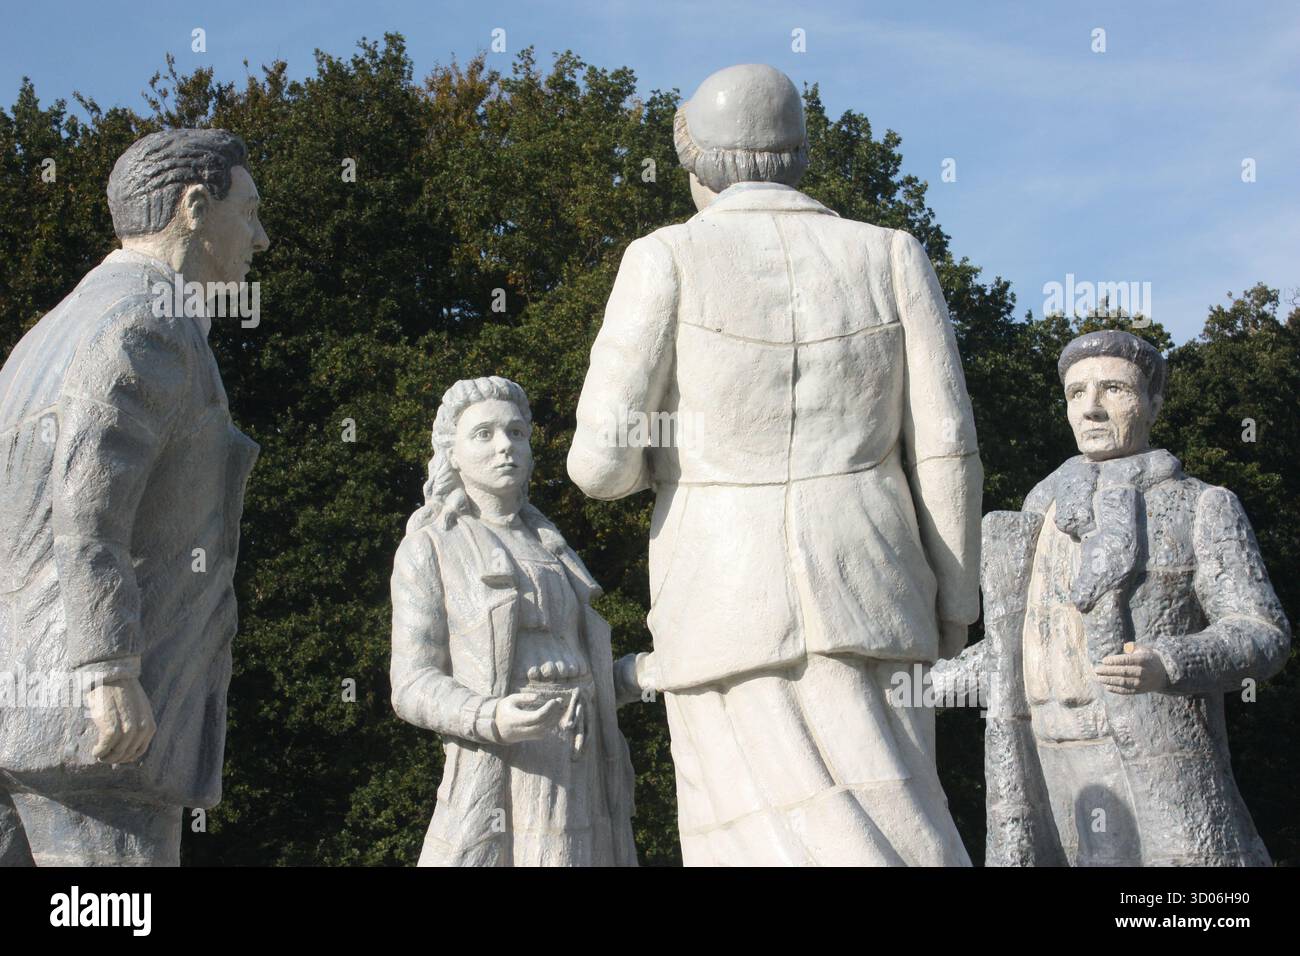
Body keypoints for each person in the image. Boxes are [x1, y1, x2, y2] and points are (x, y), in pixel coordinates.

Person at [567, 64, 981, 865]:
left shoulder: (667, 257)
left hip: (722, 596)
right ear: (799, 154)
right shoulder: (889, 253)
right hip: (874, 587)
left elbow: (601, 465)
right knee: (899, 824)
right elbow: (945, 445)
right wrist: (955, 601)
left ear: (698, 166)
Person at [0, 129, 268, 865]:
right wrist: (107, 666)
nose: (260, 237)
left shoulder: (45, 336)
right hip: (93, 726)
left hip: (21, 697)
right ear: (193, 207)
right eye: (246, 213)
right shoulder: (147, 325)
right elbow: (89, 505)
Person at [936, 330, 1290, 866]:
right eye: (1077, 394)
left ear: (1152, 402)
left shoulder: (1202, 505)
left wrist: (1168, 661)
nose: (1092, 409)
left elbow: (1262, 633)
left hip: (1154, 755)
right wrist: (910, 684)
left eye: (1114, 390)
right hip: (1046, 760)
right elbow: (1012, 652)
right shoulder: (1037, 517)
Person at [390, 376, 640, 866]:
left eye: (517, 433)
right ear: (452, 452)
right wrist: (491, 717)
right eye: (484, 434)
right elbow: (412, 683)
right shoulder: (432, 546)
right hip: (500, 768)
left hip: (583, 763)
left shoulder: (553, 545)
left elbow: (579, 668)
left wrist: (637, 677)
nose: (506, 446)